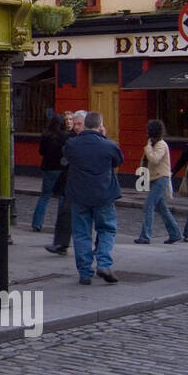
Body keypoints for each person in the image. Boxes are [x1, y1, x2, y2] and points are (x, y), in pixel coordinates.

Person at [63, 110, 124, 284]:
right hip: (104, 194)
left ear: (85, 124)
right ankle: (104, 263)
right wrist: (104, 138)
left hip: (79, 195)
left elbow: (67, 156)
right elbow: (118, 160)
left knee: (81, 234)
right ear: (100, 126)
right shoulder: (108, 145)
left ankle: (84, 273)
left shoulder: (72, 144)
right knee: (106, 230)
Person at [135, 119, 183, 244]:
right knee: (162, 208)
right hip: (155, 178)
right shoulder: (154, 143)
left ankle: (145, 236)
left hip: (161, 178)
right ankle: (175, 233)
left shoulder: (160, 144)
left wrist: (148, 148)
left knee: (148, 205)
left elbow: (154, 159)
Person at [45, 110, 85, 255]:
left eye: (79, 124)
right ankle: (61, 244)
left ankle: (99, 246)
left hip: (88, 184)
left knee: (92, 217)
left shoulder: (92, 138)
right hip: (71, 182)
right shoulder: (70, 137)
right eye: (74, 124)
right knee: (65, 212)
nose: (76, 126)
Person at [32, 113, 68, 231]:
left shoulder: (45, 136)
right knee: (62, 197)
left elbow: (41, 152)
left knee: (45, 196)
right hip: (62, 169)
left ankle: (37, 223)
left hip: (48, 168)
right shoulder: (65, 136)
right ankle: (61, 224)